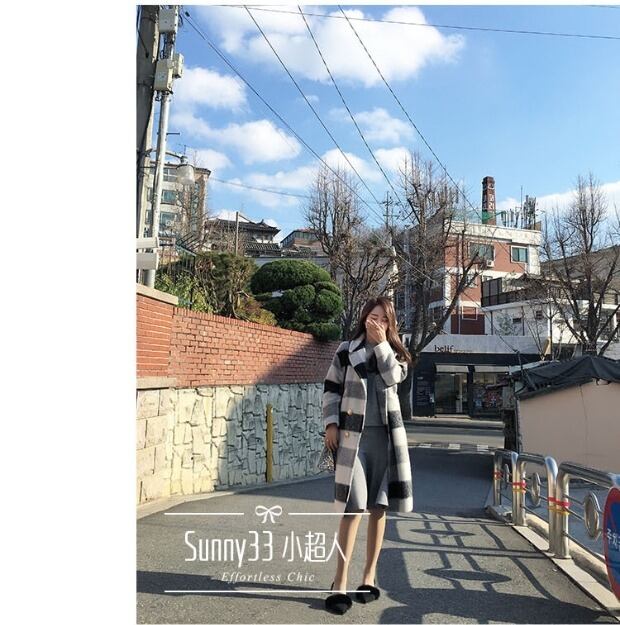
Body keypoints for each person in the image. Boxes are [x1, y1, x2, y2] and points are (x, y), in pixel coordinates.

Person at [322, 296, 413, 615]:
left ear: (391, 323)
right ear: (363, 318)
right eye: (373, 317)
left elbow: (393, 378)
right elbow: (331, 387)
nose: (377, 323)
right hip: (353, 440)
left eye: (384, 319)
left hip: (385, 440)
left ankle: (369, 577)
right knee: (353, 507)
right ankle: (339, 582)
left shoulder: (397, 354)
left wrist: (382, 344)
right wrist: (331, 424)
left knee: (378, 507)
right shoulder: (346, 350)